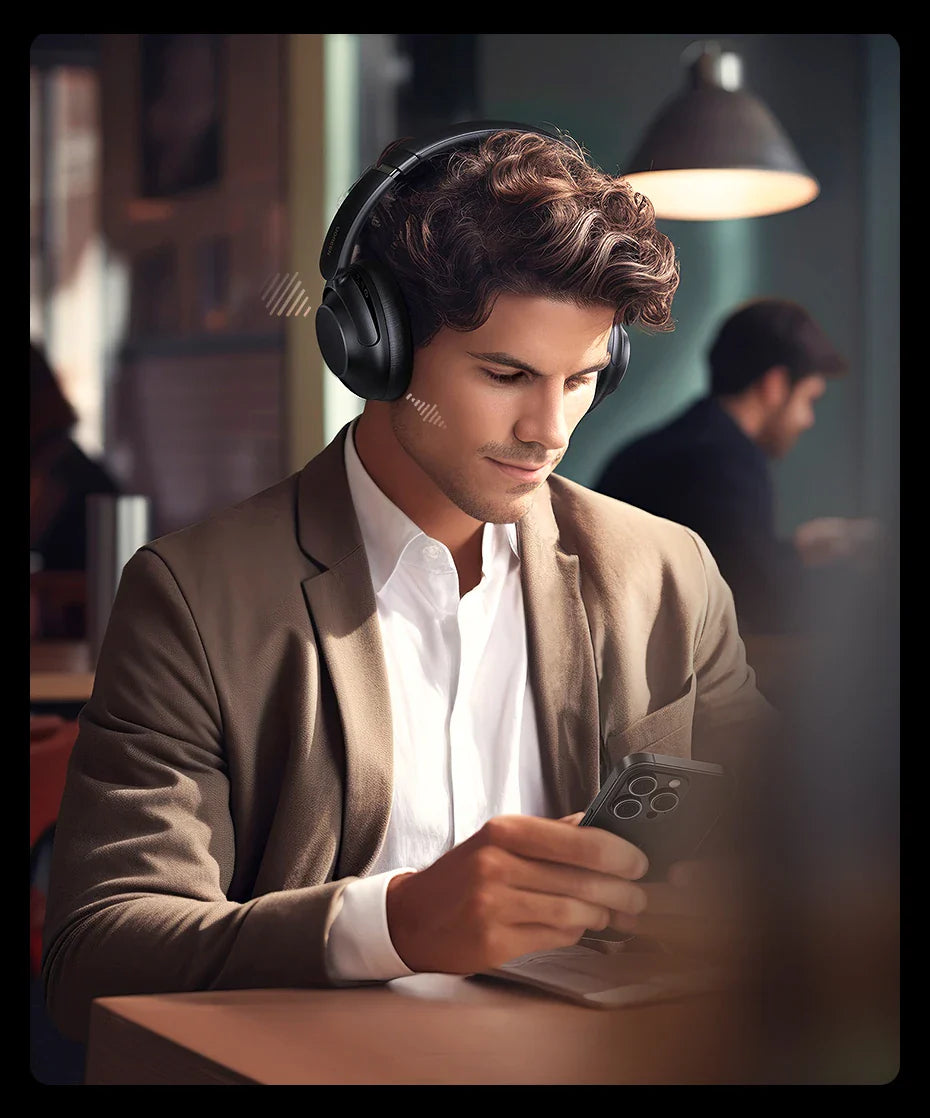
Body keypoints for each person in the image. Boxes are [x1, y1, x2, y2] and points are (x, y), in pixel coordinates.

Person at [42, 123, 778, 1047]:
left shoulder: (668, 571)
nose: (550, 429)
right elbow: (95, 955)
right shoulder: (194, 599)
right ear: (374, 351)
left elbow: (790, 847)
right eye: (505, 373)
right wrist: (395, 923)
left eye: (584, 379)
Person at [594, 298, 880, 635]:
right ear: (775, 385)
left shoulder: (683, 445)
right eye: (809, 400)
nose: (808, 420)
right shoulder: (724, 462)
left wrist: (801, 549)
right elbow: (767, 601)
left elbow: (734, 562)